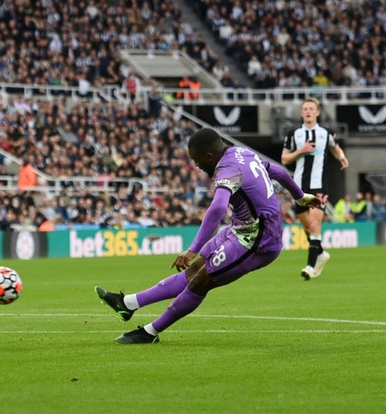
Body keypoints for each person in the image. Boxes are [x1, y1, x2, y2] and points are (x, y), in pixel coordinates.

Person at [95, 128, 323, 344]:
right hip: (240, 229)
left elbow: (217, 208)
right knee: (195, 270)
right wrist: (300, 196)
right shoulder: (242, 153)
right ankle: (128, 303)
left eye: (197, 160)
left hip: (258, 241)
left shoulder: (227, 170)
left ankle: (150, 332)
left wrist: (193, 247)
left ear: (210, 155)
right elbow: (279, 172)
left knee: (200, 281)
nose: (196, 164)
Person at [281, 98, 349, 280]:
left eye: (311, 109)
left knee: (314, 224)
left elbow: (335, 148)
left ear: (317, 112)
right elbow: (284, 159)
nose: (308, 111)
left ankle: (311, 266)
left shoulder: (325, 133)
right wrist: (300, 151)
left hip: (319, 185)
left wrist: (342, 157)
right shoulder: (293, 134)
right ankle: (321, 254)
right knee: (306, 226)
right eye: (305, 109)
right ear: (302, 113)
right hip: (299, 187)